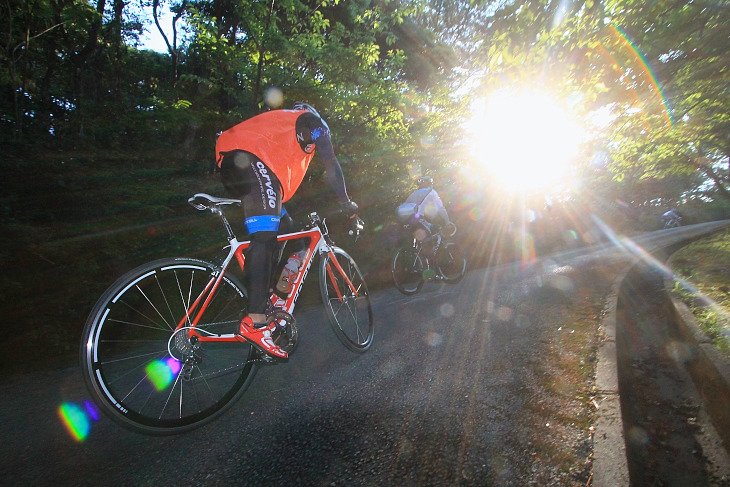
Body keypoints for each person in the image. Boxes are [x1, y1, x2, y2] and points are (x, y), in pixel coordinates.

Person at [215, 102, 358, 359]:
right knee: (265, 237)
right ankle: (256, 322)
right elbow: (331, 161)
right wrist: (346, 202)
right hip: (248, 160)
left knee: (286, 226)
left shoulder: (281, 136)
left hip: (238, 162)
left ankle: (269, 294)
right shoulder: (314, 122)